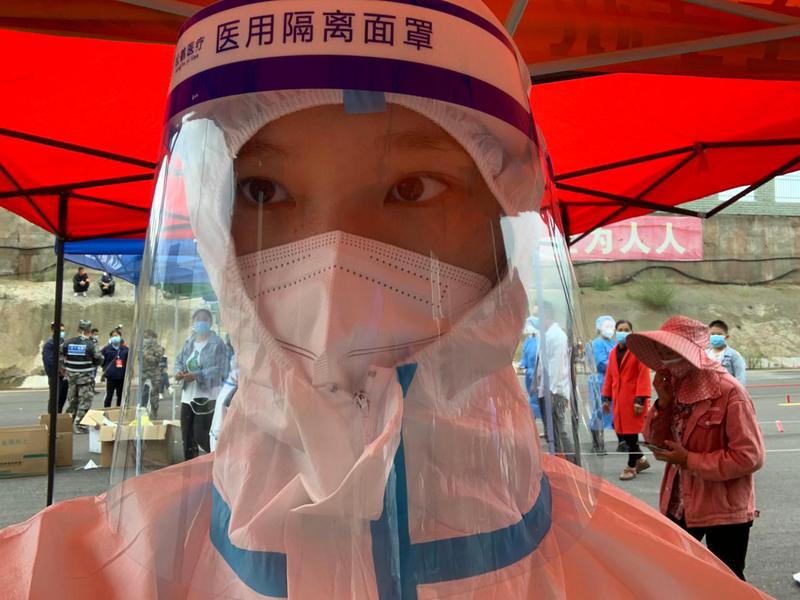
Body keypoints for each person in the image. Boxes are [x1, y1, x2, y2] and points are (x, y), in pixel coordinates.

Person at [0, 2, 769, 598]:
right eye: (263, 191)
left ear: (503, 234)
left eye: (413, 188)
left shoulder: (668, 580)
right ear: (208, 225)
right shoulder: (54, 573)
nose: (335, 261)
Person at [630, 316, 765, 581]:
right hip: (679, 501)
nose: (664, 358)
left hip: (723, 509)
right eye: (660, 351)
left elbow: (750, 456)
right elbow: (656, 439)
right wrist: (663, 404)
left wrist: (689, 459)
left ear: (687, 352)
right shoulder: (675, 386)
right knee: (676, 576)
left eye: (669, 351)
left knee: (727, 581)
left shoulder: (729, 392)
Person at [174, 309, 228, 460]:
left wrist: (198, 375)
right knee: (187, 436)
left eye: (204, 319)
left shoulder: (217, 343)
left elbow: (221, 368)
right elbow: (179, 361)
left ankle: (216, 462)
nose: (200, 322)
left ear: (210, 322)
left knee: (201, 435)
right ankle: (190, 467)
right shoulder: (189, 342)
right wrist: (178, 372)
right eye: (197, 320)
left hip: (207, 396)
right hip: (188, 396)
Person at [601, 319, 652, 480]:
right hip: (619, 400)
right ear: (616, 332)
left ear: (632, 332)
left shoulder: (638, 351)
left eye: (626, 330)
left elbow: (643, 376)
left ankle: (631, 466)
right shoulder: (613, 353)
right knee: (623, 432)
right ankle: (641, 460)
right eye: (620, 330)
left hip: (634, 400)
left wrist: (640, 400)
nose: (623, 332)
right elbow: (609, 377)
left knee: (631, 434)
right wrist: (606, 398)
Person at [534, 301, 574, 458]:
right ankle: (564, 460)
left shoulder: (557, 336)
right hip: (547, 390)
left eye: (537, 315)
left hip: (554, 392)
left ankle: (568, 462)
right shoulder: (546, 335)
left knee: (557, 431)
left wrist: (552, 392)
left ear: (547, 315)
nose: (535, 319)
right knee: (553, 432)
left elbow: (557, 365)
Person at [64, 319, 102, 433]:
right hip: (86, 378)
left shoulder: (68, 343)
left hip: (72, 378)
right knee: (84, 402)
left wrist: (65, 367)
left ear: (78, 329)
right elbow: (99, 359)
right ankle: (80, 426)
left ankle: (68, 424)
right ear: (89, 330)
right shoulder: (91, 344)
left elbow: (59, 355)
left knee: (72, 401)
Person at [588, 314, 615, 453]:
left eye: (611, 326)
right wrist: (619, 365)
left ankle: (623, 442)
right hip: (600, 381)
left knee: (612, 411)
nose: (609, 329)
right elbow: (601, 363)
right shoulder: (596, 344)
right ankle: (597, 443)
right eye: (606, 326)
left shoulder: (614, 344)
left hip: (612, 381)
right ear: (599, 328)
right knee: (599, 411)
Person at [707, 319, 747, 385]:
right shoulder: (704, 354)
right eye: (712, 334)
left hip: (727, 390)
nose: (715, 336)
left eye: (719, 334)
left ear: (726, 337)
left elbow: (740, 377)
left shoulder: (734, 355)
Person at [42, 322, 68, 413]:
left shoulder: (64, 343)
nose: (62, 332)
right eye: (60, 331)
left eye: (63, 330)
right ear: (53, 331)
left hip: (65, 376)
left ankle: (59, 416)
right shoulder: (49, 344)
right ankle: (52, 418)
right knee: (54, 399)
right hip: (55, 376)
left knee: (62, 397)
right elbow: (48, 361)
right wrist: (59, 371)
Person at [519, 316, 540, 419]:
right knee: (531, 395)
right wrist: (522, 364)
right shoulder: (528, 341)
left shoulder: (540, 341)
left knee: (535, 398)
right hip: (529, 374)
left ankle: (534, 415)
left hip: (536, 373)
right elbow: (525, 355)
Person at [100, 329, 128, 408]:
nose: (115, 337)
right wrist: (105, 368)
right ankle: (106, 410)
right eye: (113, 336)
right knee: (109, 395)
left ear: (120, 337)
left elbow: (128, 361)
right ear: (110, 338)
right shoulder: (106, 349)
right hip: (111, 376)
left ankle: (118, 410)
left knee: (120, 395)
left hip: (121, 376)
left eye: (117, 335)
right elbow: (101, 360)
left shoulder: (125, 349)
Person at [141, 329, 166, 418]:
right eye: (144, 337)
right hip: (143, 372)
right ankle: (142, 411)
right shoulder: (142, 347)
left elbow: (157, 360)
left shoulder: (158, 348)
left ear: (152, 337)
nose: (145, 339)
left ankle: (154, 412)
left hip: (154, 373)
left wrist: (146, 356)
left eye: (147, 337)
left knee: (154, 394)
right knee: (143, 393)